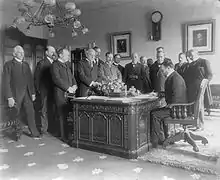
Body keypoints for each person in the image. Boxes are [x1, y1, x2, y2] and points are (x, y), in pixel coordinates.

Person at [3, 45, 40, 137]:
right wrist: (9, 97)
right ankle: (16, 133)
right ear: (14, 54)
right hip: (15, 94)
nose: (22, 54)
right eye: (20, 52)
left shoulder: (26, 65)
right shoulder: (8, 65)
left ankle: (34, 132)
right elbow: (5, 82)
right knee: (16, 114)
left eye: (23, 52)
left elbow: (30, 80)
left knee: (30, 112)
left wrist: (33, 93)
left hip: (27, 94)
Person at [150, 59, 187, 147]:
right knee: (157, 111)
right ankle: (164, 137)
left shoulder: (175, 78)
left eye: (163, 70)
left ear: (169, 68)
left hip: (177, 109)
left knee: (154, 114)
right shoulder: (174, 76)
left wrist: (168, 106)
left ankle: (156, 141)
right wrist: (159, 94)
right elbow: (171, 93)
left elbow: (177, 97)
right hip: (178, 107)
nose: (162, 73)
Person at [51, 47, 77, 141]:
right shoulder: (55, 65)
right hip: (60, 94)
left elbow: (72, 77)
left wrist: (74, 85)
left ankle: (68, 133)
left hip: (69, 94)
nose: (68, 56)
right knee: (62, 115)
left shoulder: (66, 65)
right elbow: (56, 79)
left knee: (68, 114)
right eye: (67, 55)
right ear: (61, 55)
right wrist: (68, 88)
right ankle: (64, 136)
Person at [185, 49, 213, 130]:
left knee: (200, 105)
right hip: (191, 88)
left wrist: (205, 80)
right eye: (190, 55)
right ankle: (196, 123)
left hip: (201, 87)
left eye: (192, 55)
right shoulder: (190, 64)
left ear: (197, 54)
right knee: (195, 106)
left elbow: (210, 74)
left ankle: (201, 124)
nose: (191, 57)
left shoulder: (204, 61)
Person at [34, 45, 57, 134]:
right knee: (44, 109)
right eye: (52, 52)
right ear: (46, 53)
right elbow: (37, 78)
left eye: (54, 52)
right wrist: (38, 89)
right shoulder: (42, 63)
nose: (53, 53)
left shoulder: (55, 63)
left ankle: (51, 127)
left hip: (53, 90)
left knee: (52, 108)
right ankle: (44, 129)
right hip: (44, 90)